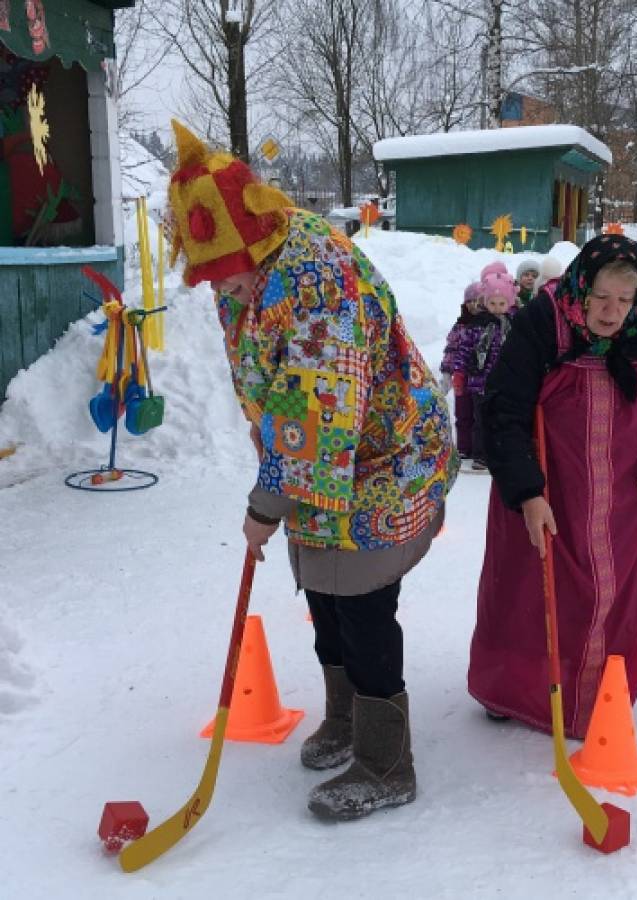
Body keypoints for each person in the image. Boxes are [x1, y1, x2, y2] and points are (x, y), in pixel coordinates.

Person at [166, 120, 456, 822]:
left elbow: (318, 415)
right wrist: (281, 484)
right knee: (322, 593)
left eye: (222, 271)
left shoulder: (318, 279)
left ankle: (388, 763)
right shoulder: (252, 269)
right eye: (206, 274)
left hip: (385, 458)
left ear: (254, 234)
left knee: (359, 604)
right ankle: (346, 717)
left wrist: (266, 503)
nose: (217, 288)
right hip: (323, 466)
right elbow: (278, 393)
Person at [467, 235, 637, 738]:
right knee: (530, 592)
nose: (612, 311)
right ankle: (515, 690)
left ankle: (600, 691)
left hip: (629, 496)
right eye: (602, 297)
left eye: (625, 299)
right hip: (549, 488)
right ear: (582, 284)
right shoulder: (544, 319)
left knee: (614, 589)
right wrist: (527, 492)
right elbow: (503, 409)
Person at [467, 271, 515, 468]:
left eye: (501, 304)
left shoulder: (513, 325)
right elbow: (465, 347)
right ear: (485, 302)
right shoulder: (478, 324)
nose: (497, 308)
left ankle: (501, 453)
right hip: (481, 382)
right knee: (481, 420)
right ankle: (481, 455)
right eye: (493, 303)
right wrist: (460, 370)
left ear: (509, 303)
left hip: (505, 382)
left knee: (503, 419)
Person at [441, 281, 483, 458]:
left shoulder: (487, 326)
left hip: (480, 378)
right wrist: (446, 372)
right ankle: (464, 448)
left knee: (478, 414)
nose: (474, 305)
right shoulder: (460, 326)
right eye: (470, 301)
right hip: (461, 376)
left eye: (478, 301)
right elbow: (451, 350)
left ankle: (478, 448)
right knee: (463, 413)